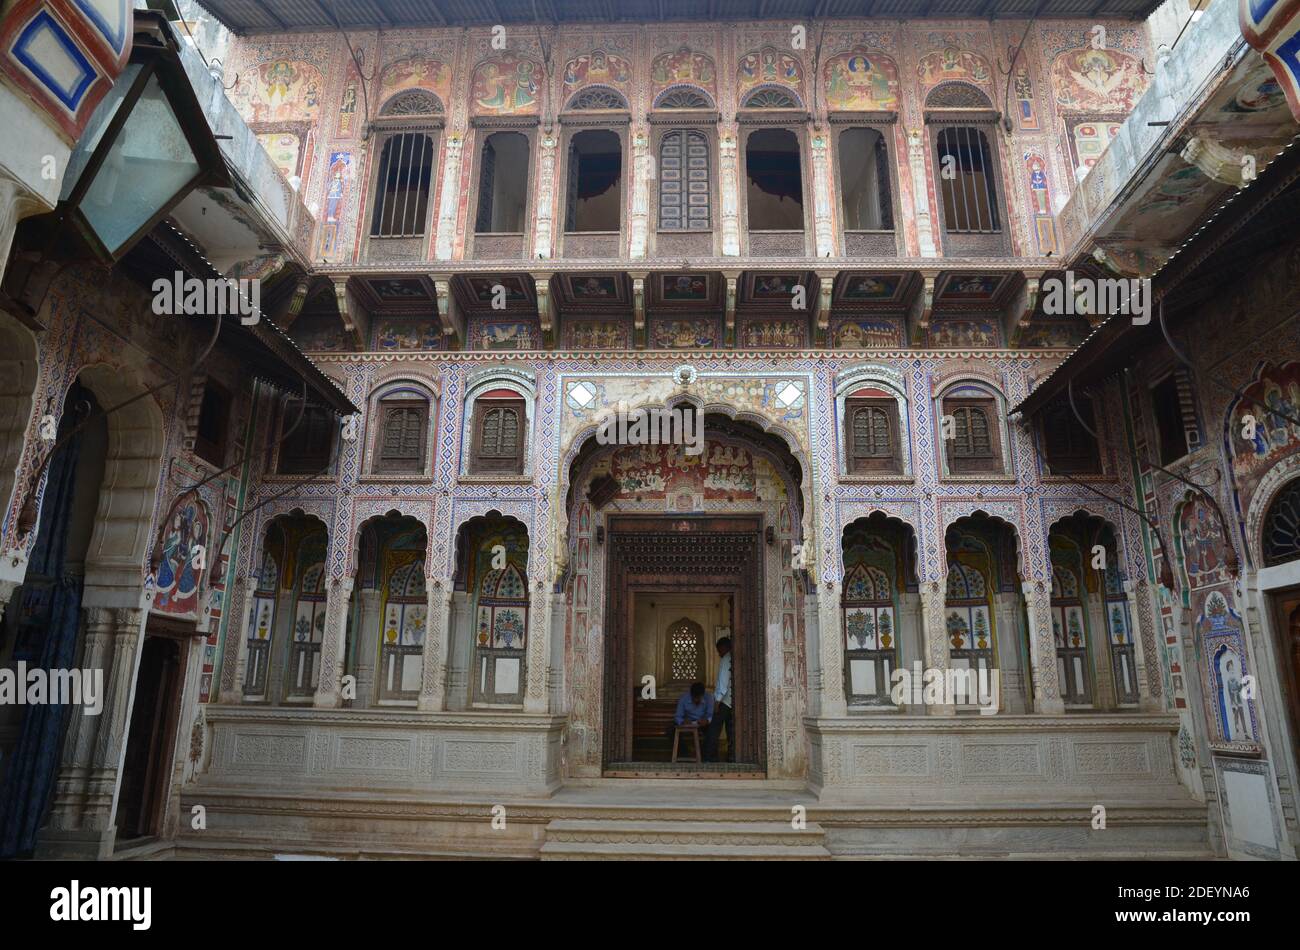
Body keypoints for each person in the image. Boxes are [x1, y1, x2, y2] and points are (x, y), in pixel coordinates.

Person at [703, 637, 734, 762]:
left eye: (719, 650)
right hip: (732, 702)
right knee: (730, 730)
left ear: (724, 647)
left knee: (714, 730)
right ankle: (732, 757)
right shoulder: (733, 657)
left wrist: (717, 701)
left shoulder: (726, 658)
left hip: (724, 701)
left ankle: (709, 757)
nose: (718, 653)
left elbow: (723, 681)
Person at [668, 682, 713, 750]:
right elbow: (678, 716)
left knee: (713, 730)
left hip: (702, 723)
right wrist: (683, 721)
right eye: (694, 697)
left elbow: (710, 715)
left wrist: (706, 720)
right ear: (691, 694)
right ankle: (684, 752)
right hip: (687, 723)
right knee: (671, 730)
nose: (696, 700)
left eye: (698, 698)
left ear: (702, 695)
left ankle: (706, 755)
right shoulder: (684, 699)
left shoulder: (709, 698)